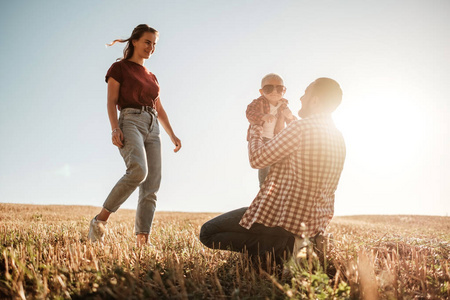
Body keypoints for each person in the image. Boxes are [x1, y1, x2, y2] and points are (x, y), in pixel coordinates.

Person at [200, 78, 346, 264]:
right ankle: (308, 243)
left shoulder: (301, 128)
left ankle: (287, 248)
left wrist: (256, 126)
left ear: (315, 100)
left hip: (286, 222)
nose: (300, 98)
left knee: (208, 232)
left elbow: (257, 159)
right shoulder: (338, 137)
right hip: (313, 223)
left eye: (305, 94)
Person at [88, 24, 182, 246]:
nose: (151, 47)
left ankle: (143, 240)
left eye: (154, 44)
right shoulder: (119, 68)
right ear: (134, 42)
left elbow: (159, 109)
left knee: (152, 183)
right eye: (147, 42)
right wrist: (114, 128)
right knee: (138, 170)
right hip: (130, 120)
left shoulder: (152, 76)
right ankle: (100, 221)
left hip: (153, 127)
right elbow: (111, 102)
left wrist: (172, 134)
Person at [246, 73, 296, 187]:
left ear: (284, 91)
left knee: (280, 165)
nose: (274, 92)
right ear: (261, 91)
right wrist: (263, 116)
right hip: (261, 139)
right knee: (264, 164)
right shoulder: (258, 102)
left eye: (279, 88)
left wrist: (290, 117)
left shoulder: (283, 106)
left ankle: (278, 188)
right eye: (269, 88)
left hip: (275, 139)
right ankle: (263, 187)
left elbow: (294, 125)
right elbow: (249, 112)